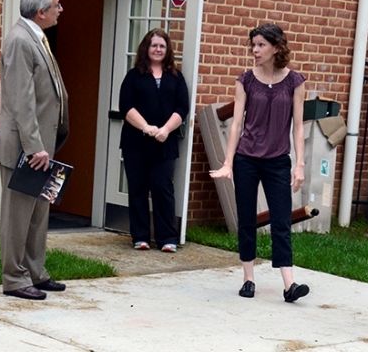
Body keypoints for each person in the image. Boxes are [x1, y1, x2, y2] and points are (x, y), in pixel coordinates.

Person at [210, 23, 309, 302]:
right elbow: (236, 123)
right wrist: (228, 162)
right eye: (253, 45)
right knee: (246, 220)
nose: (255, 50)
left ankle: (289, 285)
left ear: (277, 47)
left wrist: (299, 164)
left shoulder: (295, 81)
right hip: (247, 160)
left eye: (261, 45)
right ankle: (248, 278)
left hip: (278, 161)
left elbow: (299, 126)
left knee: (281, 221)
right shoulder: (245, 80)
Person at [0, 0, 69, 300]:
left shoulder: (37, 37)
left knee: (38, 214)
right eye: (57, 5)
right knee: (18, 217)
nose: (60, 9)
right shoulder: (20, 41)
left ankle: (34, 272)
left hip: (41, 146)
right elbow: (21, 100)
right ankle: (14, 278)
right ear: (41, 12)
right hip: (24, 147)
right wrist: (35, 145)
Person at [119, 28, 189, 253]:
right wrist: (147, 128)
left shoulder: (176, 78)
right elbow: (125, 107)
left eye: (162, 46)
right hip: (136, 143)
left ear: (167, 50)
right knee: (138, 189)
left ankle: (167, 238)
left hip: (164, 143)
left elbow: (182, 107)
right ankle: (140, 237)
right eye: (153, 45)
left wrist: (166, 130)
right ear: (146, 49)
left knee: (162, 188)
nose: (157, 49)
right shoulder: (134, 76)